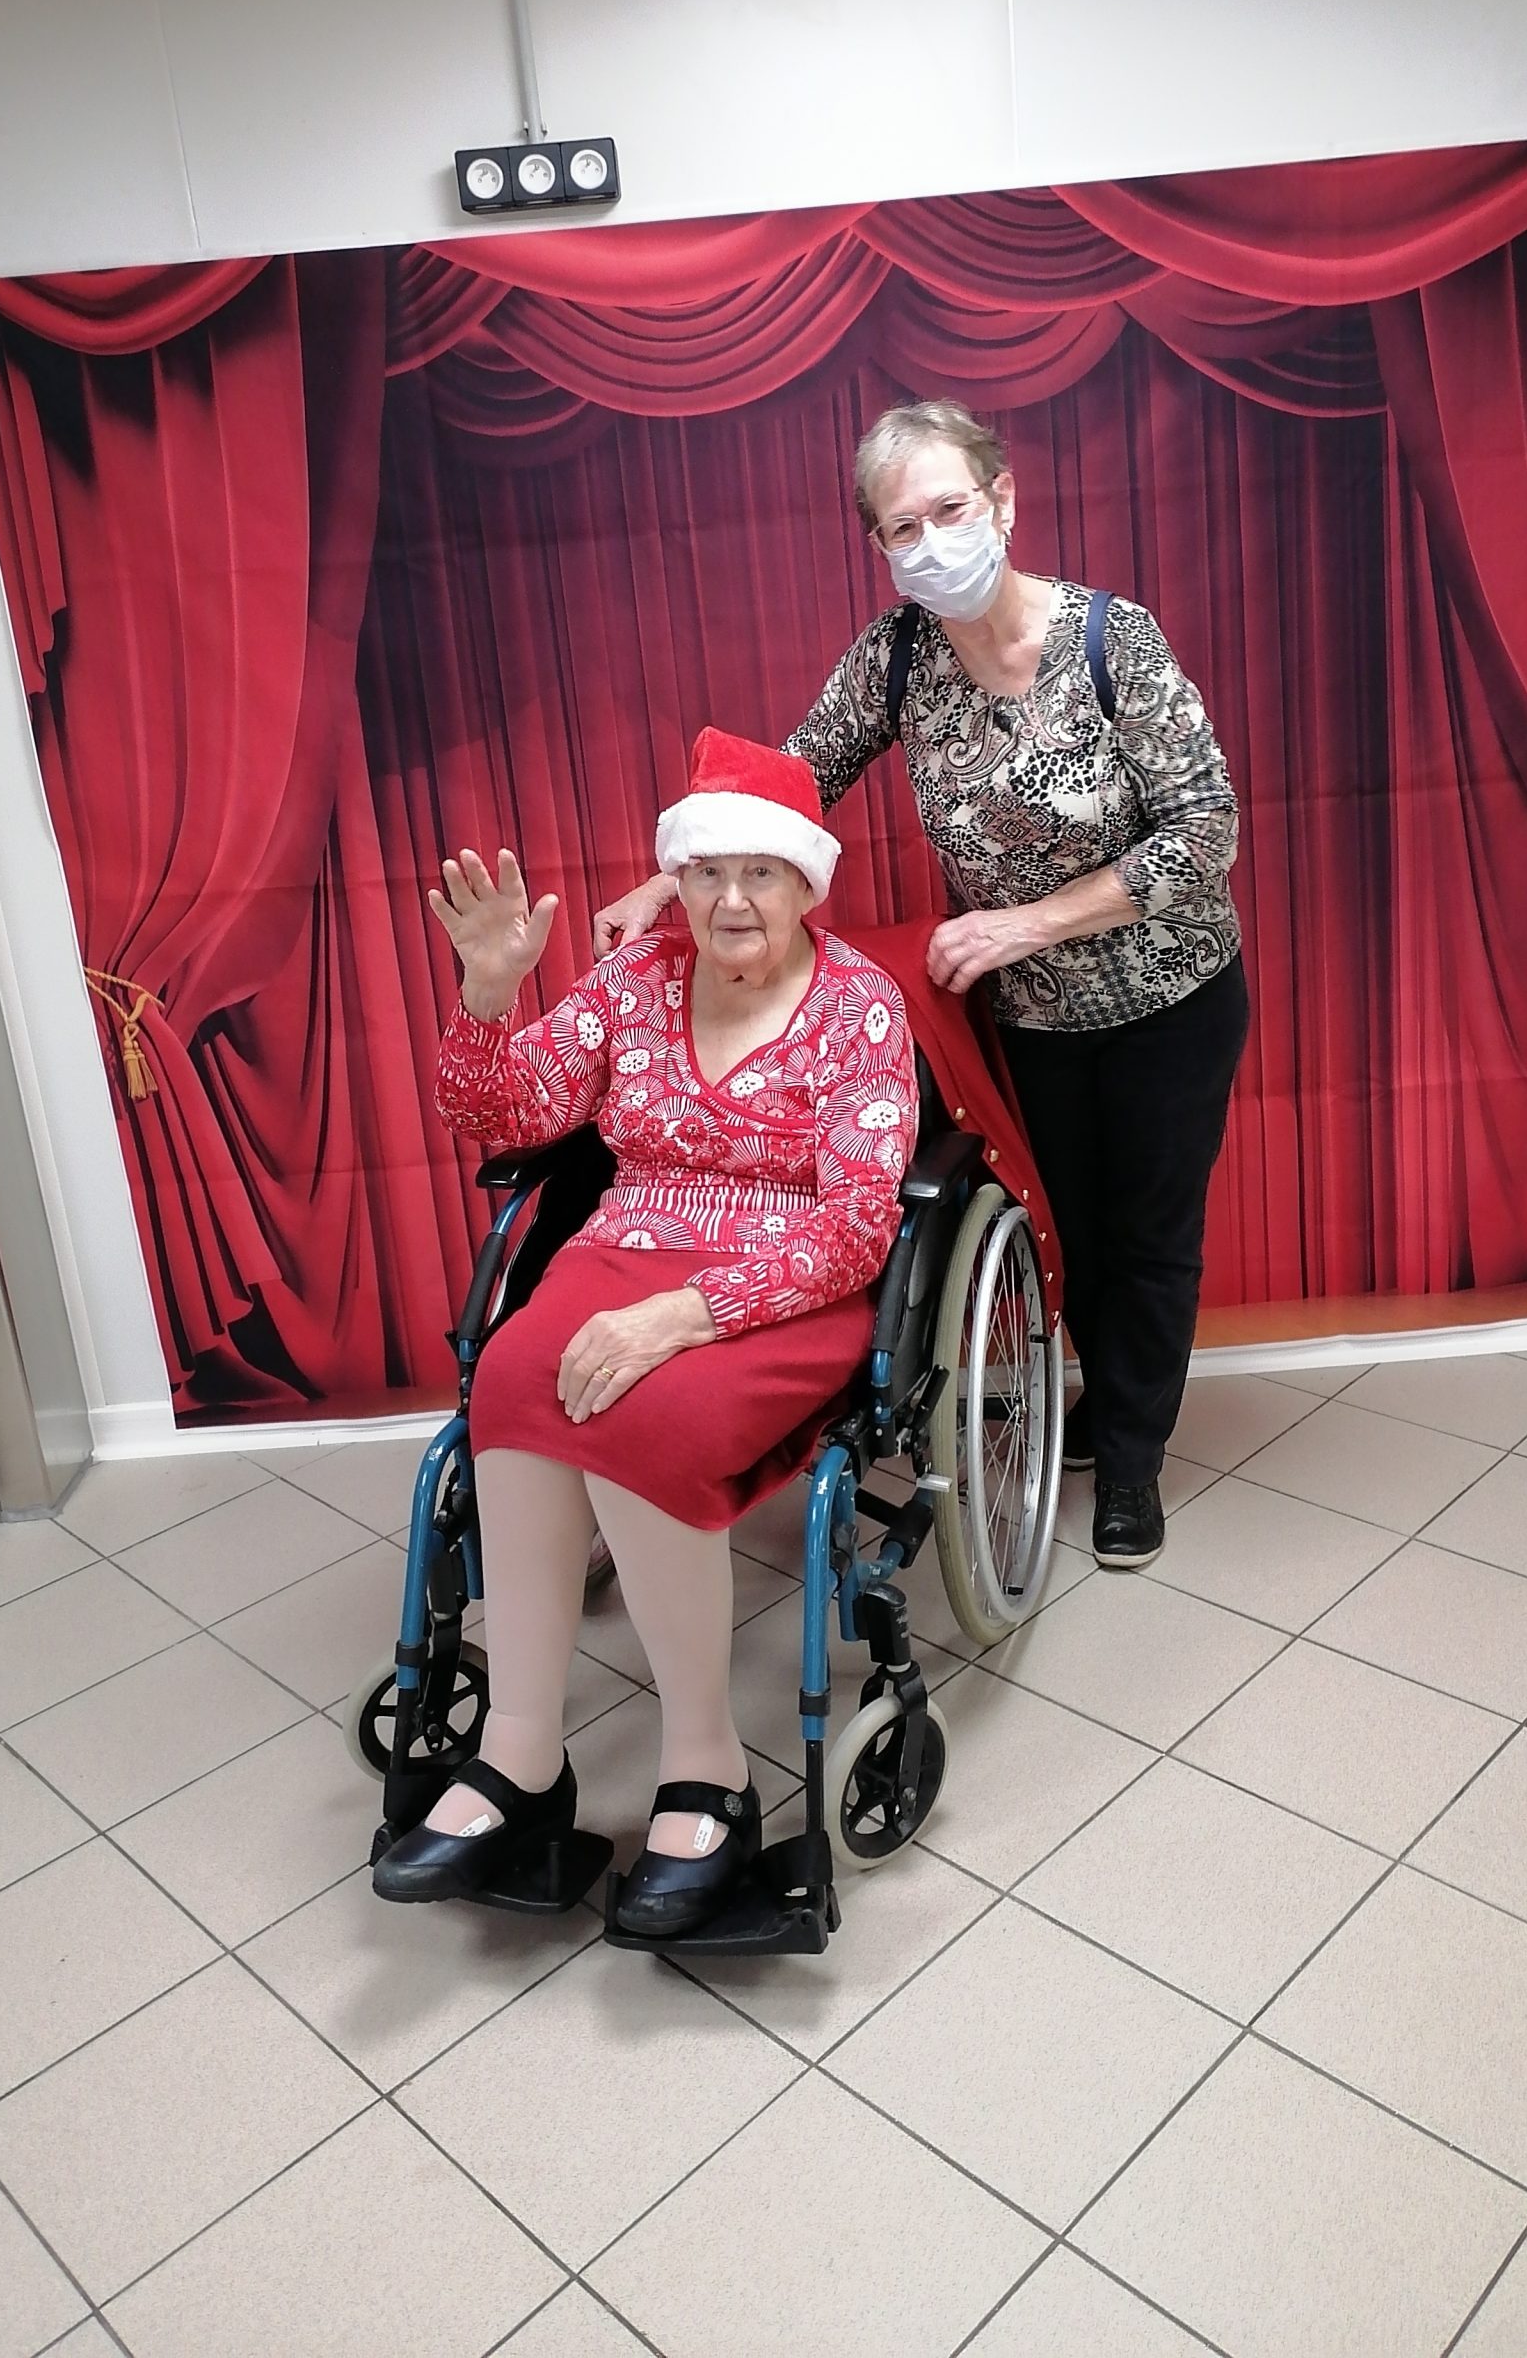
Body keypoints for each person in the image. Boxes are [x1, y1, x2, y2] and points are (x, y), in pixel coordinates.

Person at [596, 400, 1247, 1572]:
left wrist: (1022, 923)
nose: (933, 540)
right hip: (1024, 1016)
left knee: (1150, 1232)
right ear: (881, 546)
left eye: (951, 508)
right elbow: (792, 780)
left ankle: (1130, 1459)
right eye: (905, 526)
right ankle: (1103, 1396)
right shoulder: (897, 658)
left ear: (1003, 500)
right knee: (1067, 1225)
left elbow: (1206, 832)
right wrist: (671, 876)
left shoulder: (1113, 640)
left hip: (1170, 997)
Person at [373, 730, 917, 1938]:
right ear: (678, 878)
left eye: (761, 872)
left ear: (805, 882)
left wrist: (683, 1315)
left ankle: (707, 1765)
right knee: (513, 1379)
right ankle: (520, 1753)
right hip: (625, 1245)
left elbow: (856, 1231)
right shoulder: (632, 983)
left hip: (783, 1282)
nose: (733, 899)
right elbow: (502, 1110)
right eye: (708, 871)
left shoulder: (860, 1011)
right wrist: (488, 994)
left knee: (645, 1417)